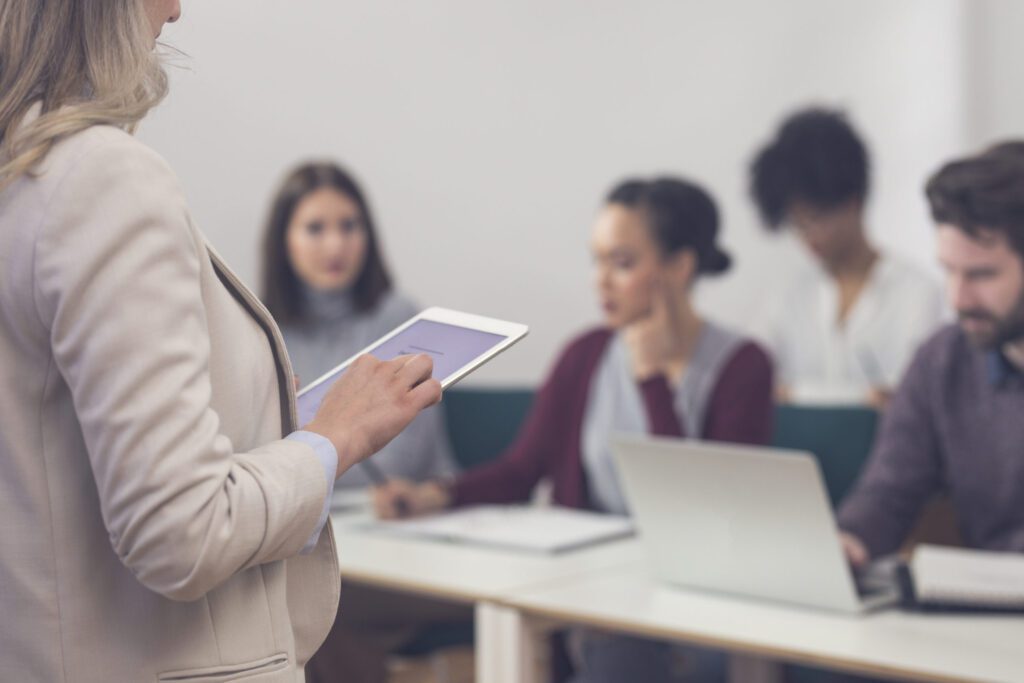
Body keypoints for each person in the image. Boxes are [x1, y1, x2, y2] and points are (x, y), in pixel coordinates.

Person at [0, 2, 440, 681]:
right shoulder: (100, 178)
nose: (177, 9)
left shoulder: (19, 175)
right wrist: (335, 437)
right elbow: (179, 531)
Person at [376, 176, 774, 683]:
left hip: (688, 606)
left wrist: (652, 380)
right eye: (598, 260)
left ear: (680, 267)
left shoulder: (743, 366)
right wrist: (433, 495)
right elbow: (522, 469)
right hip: (594, 594)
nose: (600, 281)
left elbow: (700, 512)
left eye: (623, 263)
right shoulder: (585, 354)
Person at [839, 143, 1024, 566]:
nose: (958, 297)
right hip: (990, 612)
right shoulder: (942, 360)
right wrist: (849, 540)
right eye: (948, 270)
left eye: (982, 274)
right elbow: (890, 489)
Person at [260, 161, 457, 494]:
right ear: (283, 240)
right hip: (296, 522)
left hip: (396, 517)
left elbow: (397, 465)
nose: (336, 245)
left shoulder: (398, 316)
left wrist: (299, 459)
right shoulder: (262, 331)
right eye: (315, 228)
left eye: (349, 226)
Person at [749, 107, 944, 407]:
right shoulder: (785, 296)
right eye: (796, 223)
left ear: (852, 202)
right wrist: (865, 398)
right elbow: (757, 389)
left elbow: (912, 402)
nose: (807, 236)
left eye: (816, 218)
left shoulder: (918, 294)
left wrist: (793, 394)